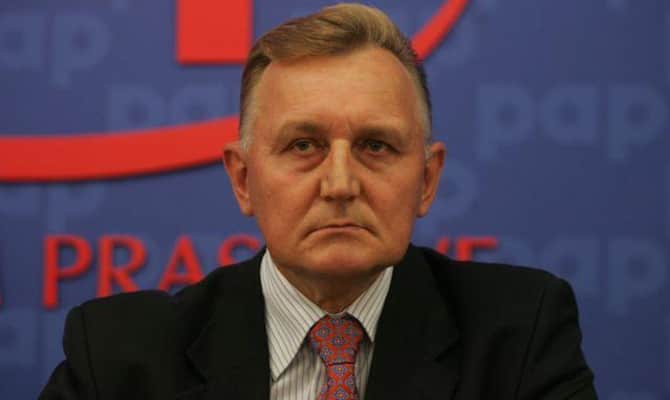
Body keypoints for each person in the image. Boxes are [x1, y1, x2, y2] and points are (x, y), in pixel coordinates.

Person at [40, 3, 597, 399]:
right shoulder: (119, 357)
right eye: (304, 146)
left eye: (376, 146)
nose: (340, 183)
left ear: (427, 180)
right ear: (242, 179)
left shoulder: (518, 336)